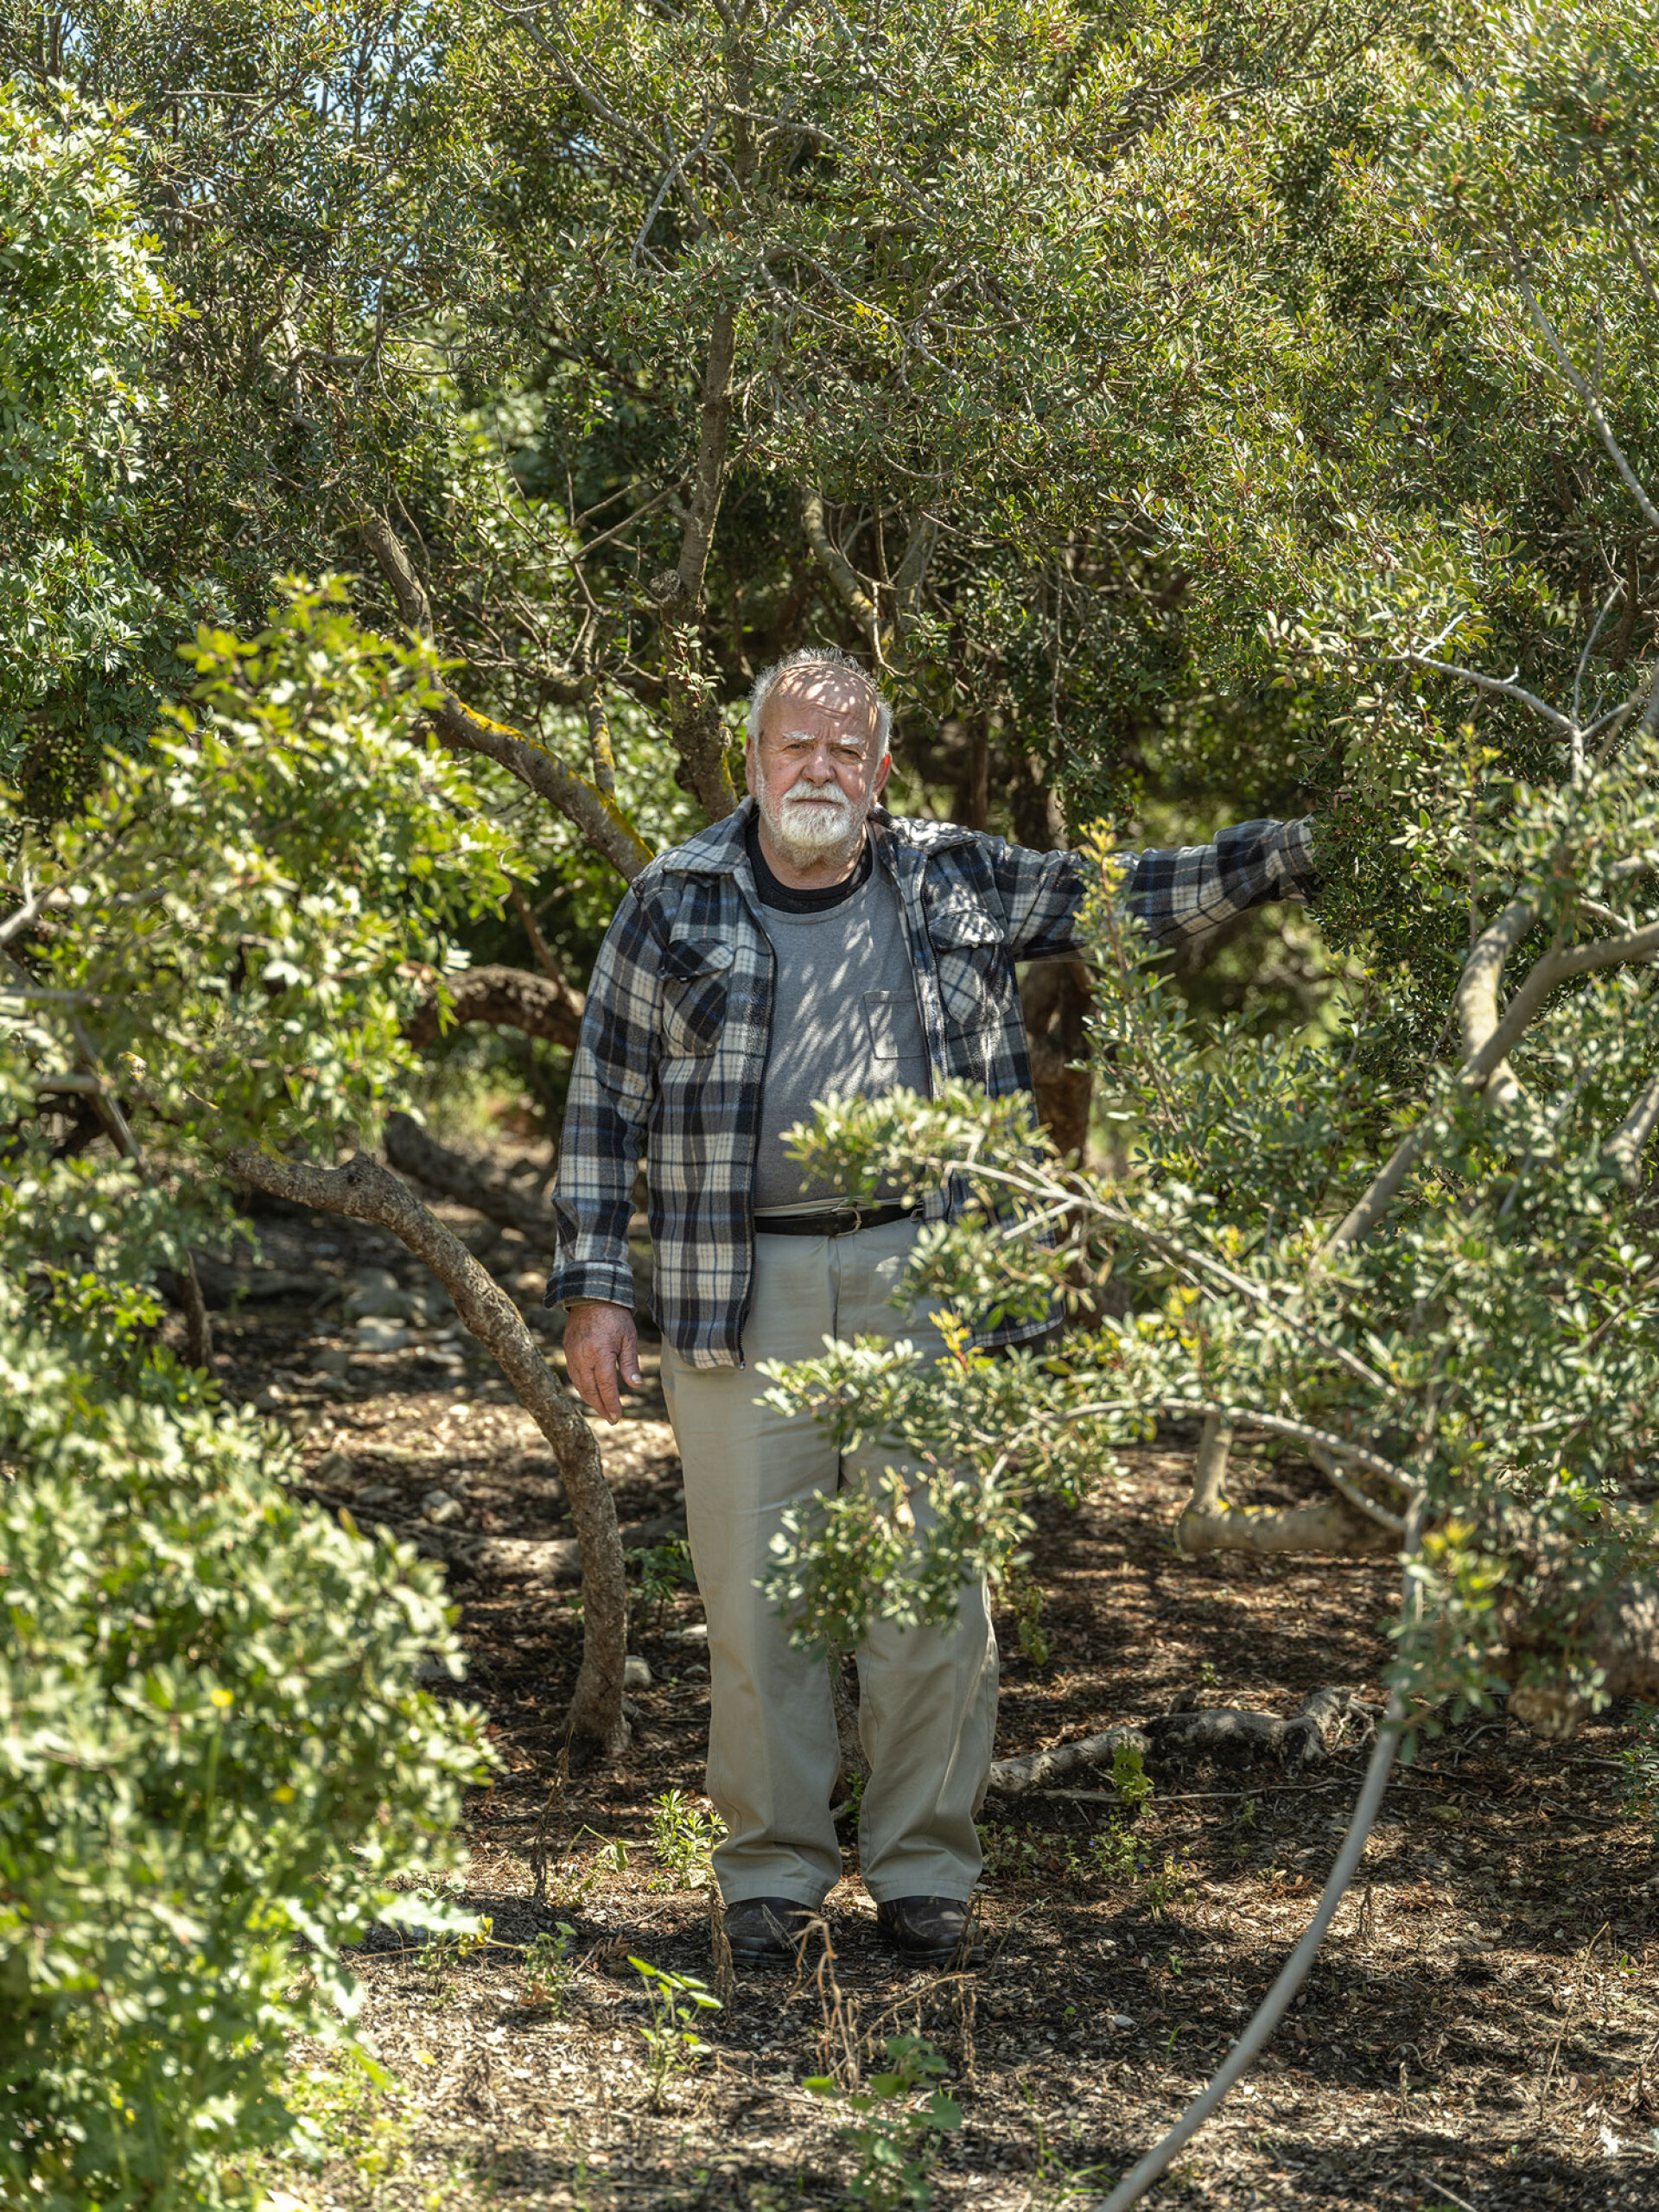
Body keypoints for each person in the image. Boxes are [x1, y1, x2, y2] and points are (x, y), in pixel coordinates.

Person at [548, 645, 1317, 1964]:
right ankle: (771, 1881)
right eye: (799, 747)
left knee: (929, 1586)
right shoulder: (672, 901)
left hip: (931, 1275)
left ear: (883, 769)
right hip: (741, 1288)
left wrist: (1293, 851)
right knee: (756, 1598)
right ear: (753, 760)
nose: (823, 771)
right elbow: (599, 1114)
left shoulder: (954, 873)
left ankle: (924, 1872)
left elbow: (1125, 900)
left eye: (850, 751)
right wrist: (594, 1291)